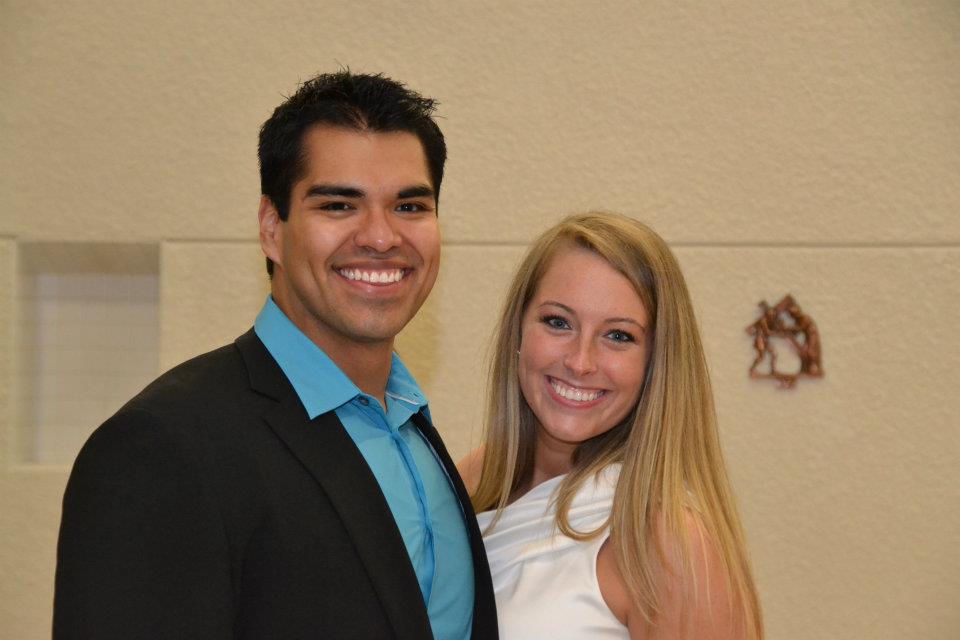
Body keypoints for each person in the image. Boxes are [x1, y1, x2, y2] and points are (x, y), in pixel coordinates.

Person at [54, 71, 497, 639]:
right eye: (339, 205)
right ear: (271, 228)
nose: (382, 237)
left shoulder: (416, 436)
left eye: (410, 206)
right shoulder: (164, 446)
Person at [459, 212, 762, 639]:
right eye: (558, 322)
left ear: (656, 363)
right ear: (518, 333)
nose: (580, 362)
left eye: (618, 336)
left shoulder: (671, 542)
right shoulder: (474, 477)